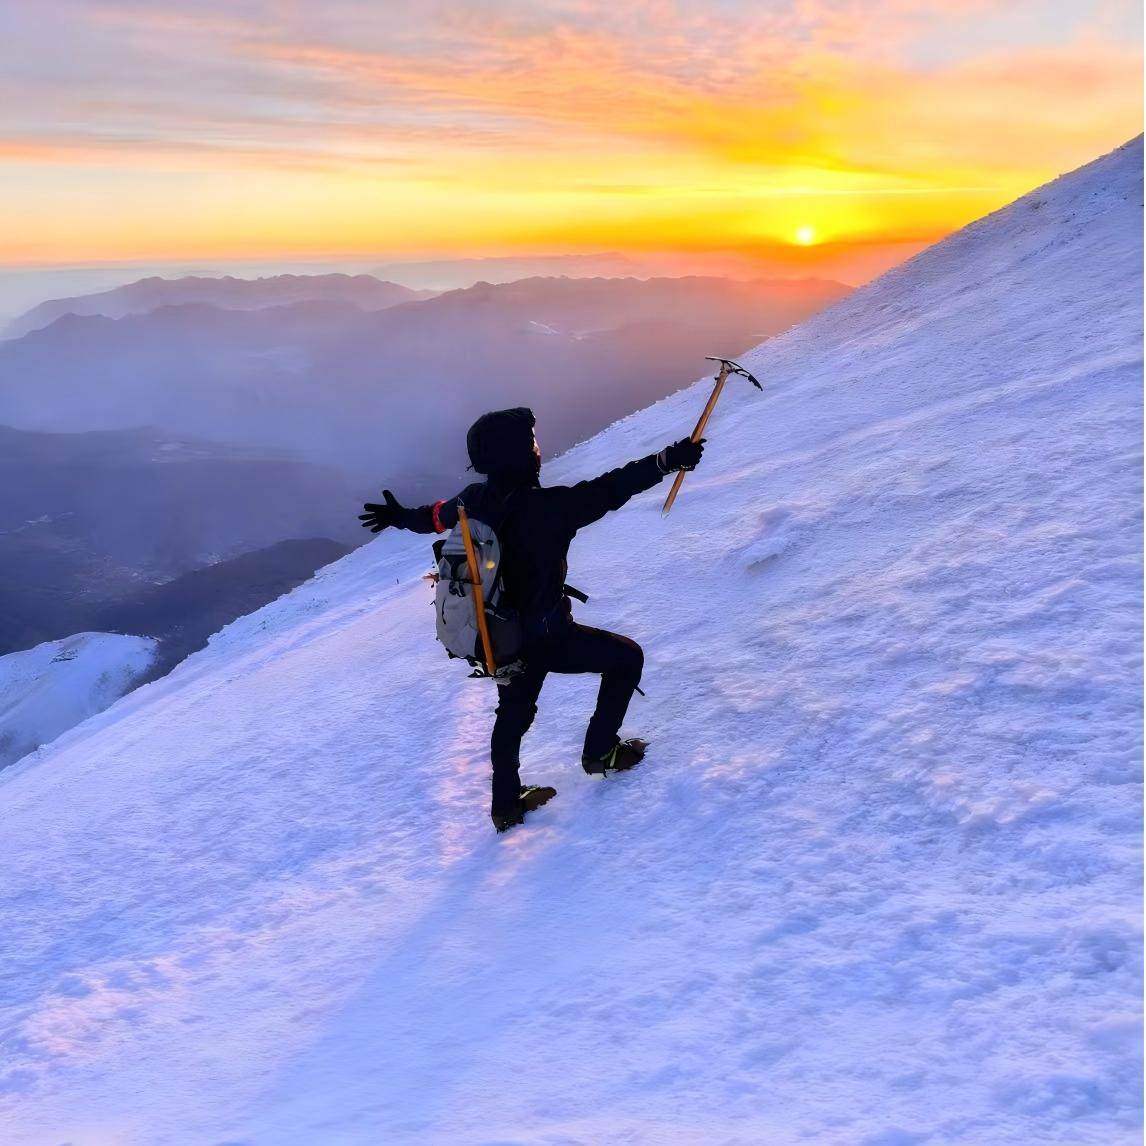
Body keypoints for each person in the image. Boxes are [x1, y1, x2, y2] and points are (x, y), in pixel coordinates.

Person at [360, 407, 704, 831]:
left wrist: (397, 517)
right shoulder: (551, 508)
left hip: (500, 639)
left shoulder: (472, 501)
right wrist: (666, 462)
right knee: (625, 658)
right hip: (549, 636)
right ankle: (601, 752)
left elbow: (433, 517)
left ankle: (506, 805)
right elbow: (611, 489)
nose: (539, 451)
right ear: (520, 456)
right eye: (532, 445)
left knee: (513, 715)